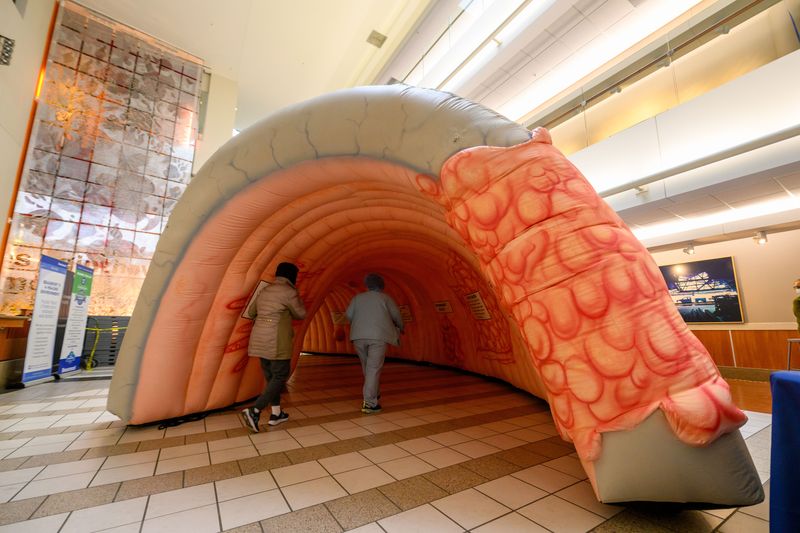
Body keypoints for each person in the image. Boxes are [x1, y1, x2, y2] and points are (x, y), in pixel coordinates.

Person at [241, 262, 306, 432]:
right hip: (277, 340)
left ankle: (276, 414)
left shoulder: (265, 290)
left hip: (259, 338)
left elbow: (252, 312)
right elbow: (301, 313)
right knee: (280, 376)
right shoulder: (289, 291)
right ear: (292, 276)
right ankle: (255, 410)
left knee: (271, 378)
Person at [346, 273, 404, 413]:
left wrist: (359, 325)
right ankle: (370, 403)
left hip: (358, 337)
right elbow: (396, 315)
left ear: (367, 285)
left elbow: (348, 315)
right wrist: (401, 327)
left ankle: (374, 392)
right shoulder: (385, 298)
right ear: (381, 285)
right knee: (373, 368)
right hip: (378, 337)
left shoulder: (357, 298)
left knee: (367, 367)